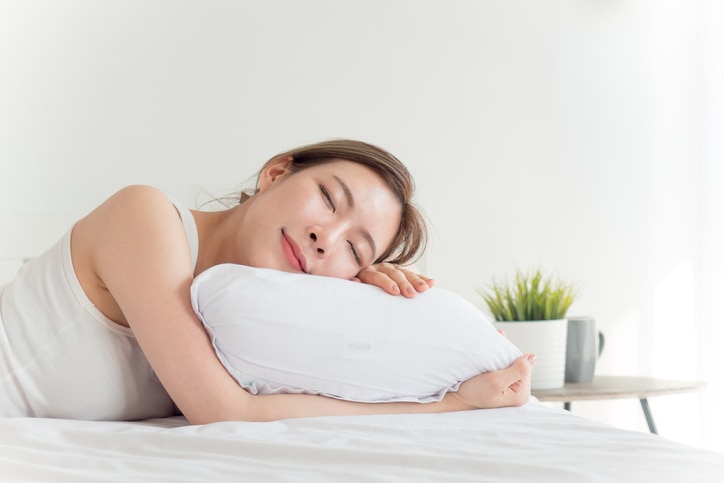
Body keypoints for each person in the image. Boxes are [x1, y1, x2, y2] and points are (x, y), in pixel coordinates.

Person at [0, 139, 535, 424]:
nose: (326, 238)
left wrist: (358, 298)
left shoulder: (252, 320)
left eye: (354, 248)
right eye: (328, 200)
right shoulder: (145, 216)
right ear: (276, 173)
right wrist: (449, 406)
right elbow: (224, 412)